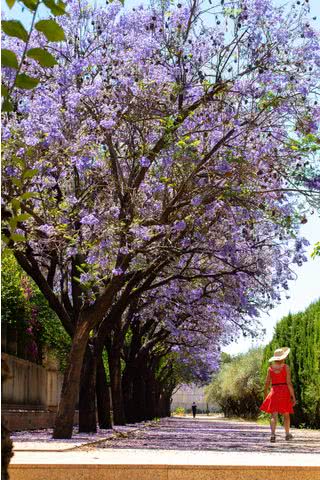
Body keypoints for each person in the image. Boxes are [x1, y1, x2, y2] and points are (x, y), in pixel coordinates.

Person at [260, 347, 296, 443]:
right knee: (286, 414)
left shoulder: (270, 368)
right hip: (284, 391)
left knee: (273, 414)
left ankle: (272, 435)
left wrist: (265, 395)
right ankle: (287, 434)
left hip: (274, 391)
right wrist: (293, 396)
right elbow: (289, 383)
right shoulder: (286, 367)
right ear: (283, 358)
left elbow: (267, 383)